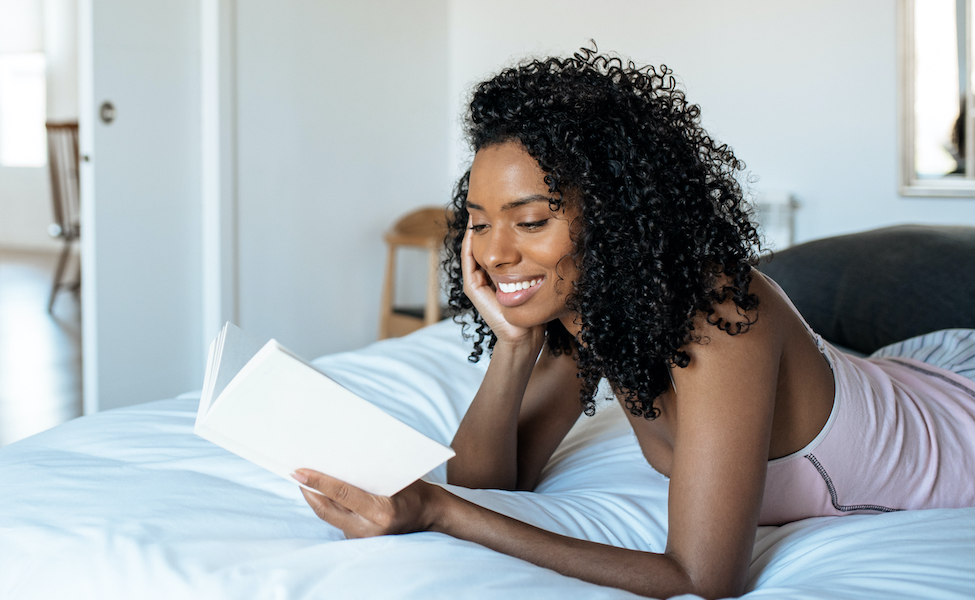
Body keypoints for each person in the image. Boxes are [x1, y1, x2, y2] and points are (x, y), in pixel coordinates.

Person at [291, 48, 975, 599]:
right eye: (478, 222)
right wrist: (516, 342)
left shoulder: (718, 317)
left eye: (530, 221)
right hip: (894, 378)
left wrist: (437, 512)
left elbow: (702, 579)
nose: (496, 253)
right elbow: (492, 481)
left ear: (612, 218)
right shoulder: (592, 315)